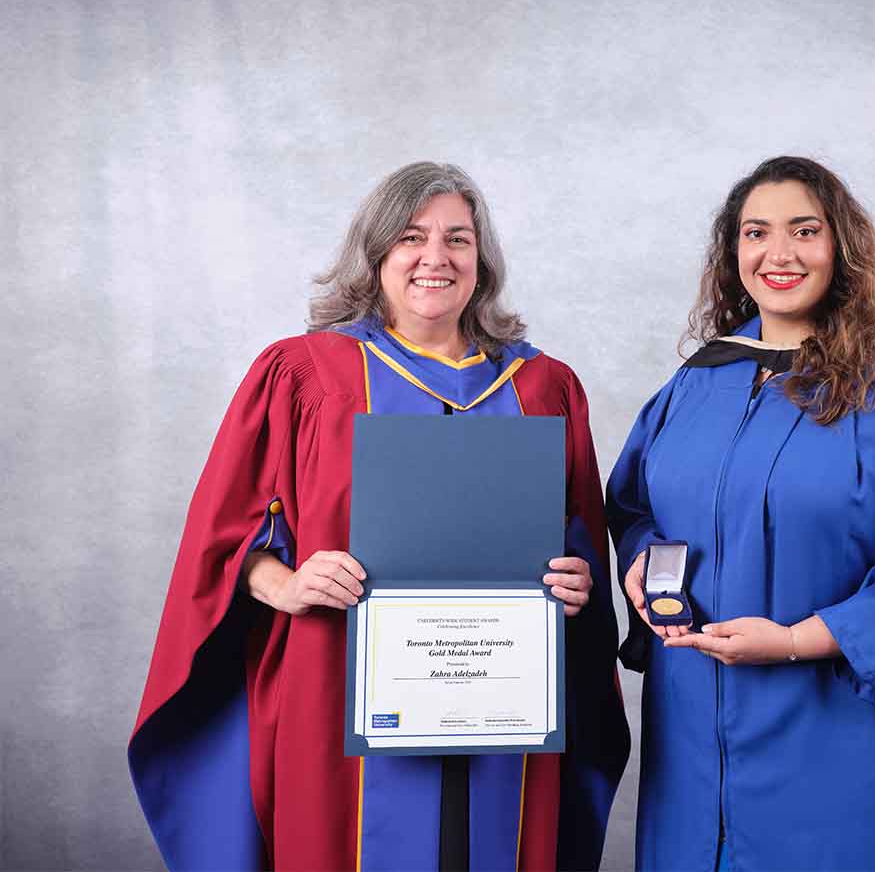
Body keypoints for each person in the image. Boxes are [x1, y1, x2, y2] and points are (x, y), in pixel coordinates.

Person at [130, 162, 630, 871]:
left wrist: (577, 585)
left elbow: (577, 543)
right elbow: (224, 534)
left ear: (481, 261)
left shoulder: (544, 385)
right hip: (336, 685)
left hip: (507, 699)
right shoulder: (305, 374)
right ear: (376, 254)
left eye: (458, 239)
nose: (436, 258)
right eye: (410, 237)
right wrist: (285, 584)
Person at [607, 156, 875, 870]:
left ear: (840, 246)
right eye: (756, 233)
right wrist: (641, 560)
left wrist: (793, 642)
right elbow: (636, 505)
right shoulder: (699, 381)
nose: (777, 254)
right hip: (696, 731)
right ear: (733, 253)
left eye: (804, 231)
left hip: (844, 737)